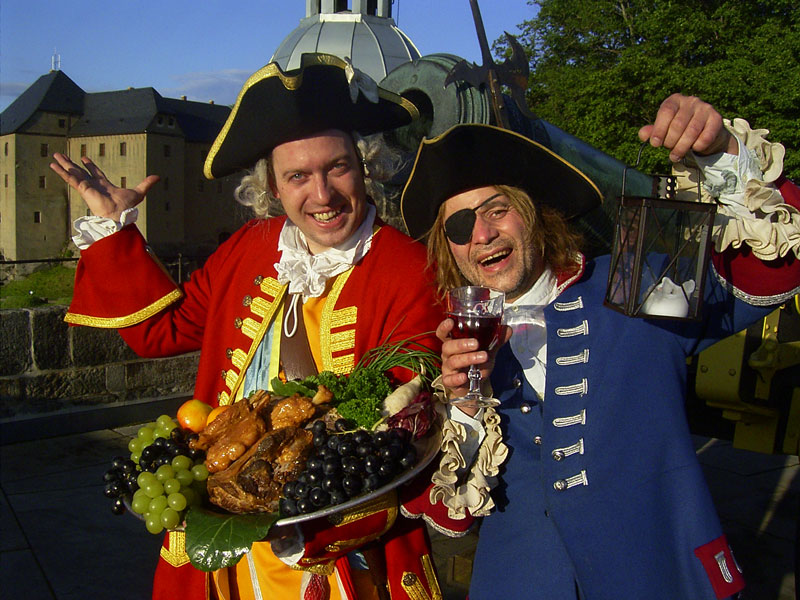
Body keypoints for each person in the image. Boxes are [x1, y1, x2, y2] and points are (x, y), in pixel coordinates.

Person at [51, 53, 444, 600]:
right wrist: (115, 230)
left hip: (336, 551)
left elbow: (403, 439)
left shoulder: (410, 269)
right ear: (274, 189)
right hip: (226, 537)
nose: (322, 195)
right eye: (297, 176)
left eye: (337, 167)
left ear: (366, 166)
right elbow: (160, 330)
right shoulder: (250, 248)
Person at [399, 94, 800, 599]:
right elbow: (453, 517)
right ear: (449, 249)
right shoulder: (453, 346)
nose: (481, 234)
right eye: (459, 227)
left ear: (533, 214)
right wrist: (464, 404)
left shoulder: (630, 282)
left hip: (660, 577)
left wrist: (720, 152)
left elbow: (768, 273)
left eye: (497, 210)